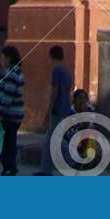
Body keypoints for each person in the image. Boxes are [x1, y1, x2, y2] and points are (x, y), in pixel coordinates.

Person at [35, 45, 75, 175]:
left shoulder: (56, 71)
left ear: (51, 56)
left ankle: (48, 169)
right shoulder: (68, 72)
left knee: (51, 140)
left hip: (57, 109)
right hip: (66, 108)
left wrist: (48, 111)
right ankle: (48, 168)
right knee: (55, 139)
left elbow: (54, 92)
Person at [0, 44, 24, 176]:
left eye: (3, 58)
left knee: (8, 142)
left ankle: (9, 166)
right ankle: (9, 166)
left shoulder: (12, 74)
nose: (1, 60)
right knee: (9, 140)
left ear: (9, 58)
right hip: (14, 113)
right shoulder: (12, 72)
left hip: (10, 114)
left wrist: (0, 112)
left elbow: (7, 95)